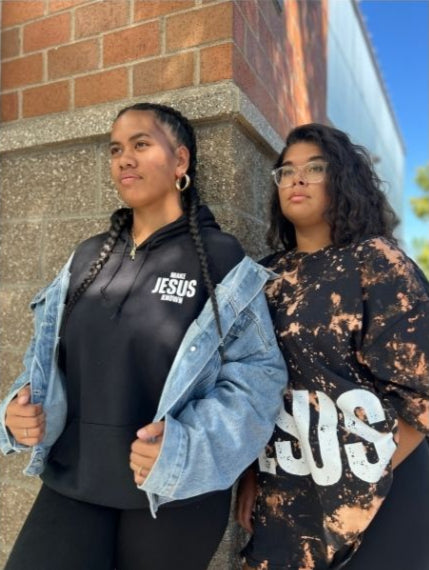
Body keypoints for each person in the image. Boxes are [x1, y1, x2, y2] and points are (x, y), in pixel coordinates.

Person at [0, 102, 287, 570]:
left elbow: (259, 378)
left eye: (140, 144)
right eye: (115, 149)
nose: (124, 159)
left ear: (180, 161)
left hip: (172, 493)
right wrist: (17, 408)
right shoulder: (86, 256)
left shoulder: (220, 257)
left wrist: (185, 446)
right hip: (74, 479)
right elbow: (44, 355)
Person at [237, 123, 429, 570]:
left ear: (342, 179)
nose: (297, 179)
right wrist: (249, 474)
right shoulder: (262, 278)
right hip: (288, 490)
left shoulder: (377, 262)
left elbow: (422, 392)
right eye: (286, 171)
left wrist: (360, 486)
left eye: (315, 168)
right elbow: (246, 385)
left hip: (386, 488)